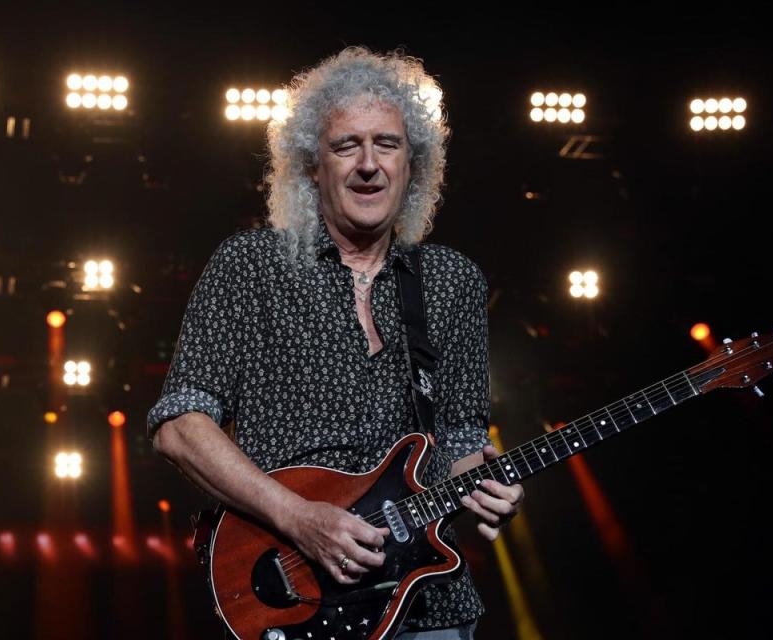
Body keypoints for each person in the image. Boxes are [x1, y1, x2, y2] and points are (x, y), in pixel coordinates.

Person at [148, 46, 524, 639]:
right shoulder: (251, 267)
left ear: (413, 164)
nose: (369, 164)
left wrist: (485, 488)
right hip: (291, 598)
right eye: (347, 146)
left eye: (388, 144)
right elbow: (179, 425)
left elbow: (460, 439)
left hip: (427, 606)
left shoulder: (452, 282)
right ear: (310, 167)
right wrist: (298, 520)